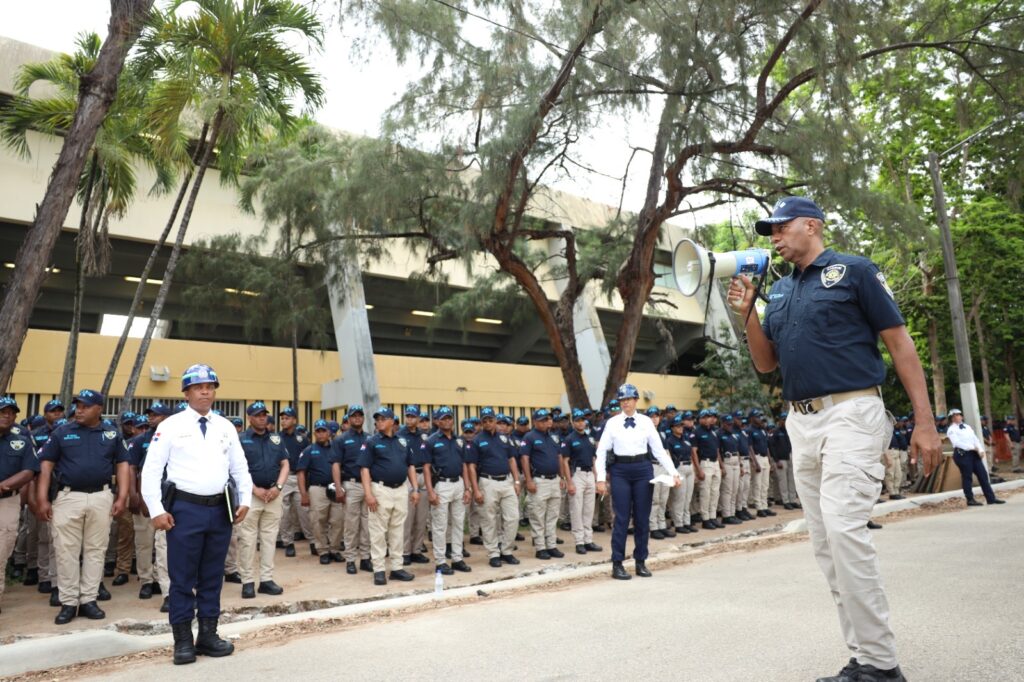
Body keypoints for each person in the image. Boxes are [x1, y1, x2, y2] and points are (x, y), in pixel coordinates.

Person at [730, 196, 941, 682]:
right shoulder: (779, 291)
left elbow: (900, 344)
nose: (774, 238)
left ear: (811, 225)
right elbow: (767, 363)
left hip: (852, 411)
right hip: (801, 421)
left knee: (845, 530)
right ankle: (866, 657)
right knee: (826, 544)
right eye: (770, 231)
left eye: (781, 227)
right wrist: (748, 314)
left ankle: (881, 665)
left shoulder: (855, 272)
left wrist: (925, 422)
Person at [142, 364, 252, 664]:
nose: (205, 392)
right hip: (184, 510)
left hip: (220, 510)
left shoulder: (225, 426)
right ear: (186, 393)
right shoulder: (171, 426)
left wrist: (245, 500)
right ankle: (182, 641)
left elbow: (239, 467)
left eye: (210, 387)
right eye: (198, 387)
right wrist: (156, 509)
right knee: (182, 578)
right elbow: (151, 470)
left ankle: (208, 635)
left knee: (212, 576)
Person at [36, 389, 129, 626]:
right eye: (77, 406)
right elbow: (46, 466)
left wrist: (122, 497)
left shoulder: (111, 433)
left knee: (96, 550)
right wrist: (42, 498)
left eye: (85, 406)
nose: (79, 410)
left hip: (101, 496)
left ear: (99, 409)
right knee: (66, 551)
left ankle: (89, 599)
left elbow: (122, 465)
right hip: (68, 498)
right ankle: (68, 602)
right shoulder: (62, 432)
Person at [595, 384, 680, 580]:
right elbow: (601, 452)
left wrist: (674, 473)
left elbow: (659, 450)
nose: (625, 403)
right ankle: (617, 564)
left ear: (635, 400)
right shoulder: (612, 423)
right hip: (620, 470)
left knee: (642, 518)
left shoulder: (645, 421)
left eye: (628, 399)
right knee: (622, 519)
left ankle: (640, 561)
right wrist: (600, 479)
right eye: (622, 400)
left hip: (643, 469)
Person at [360, 407, 419, 585]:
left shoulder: (403, 441)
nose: (379, 422)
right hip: (380, 489)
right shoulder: (371, 442)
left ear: (392, 421)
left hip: (400, 489)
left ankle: (396, 568)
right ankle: (379, 570)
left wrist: (415, 489)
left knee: (397, 530)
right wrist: (368, 494)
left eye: (383, 419)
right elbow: (364, 469)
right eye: (377, 419)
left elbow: (410, 466)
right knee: (378, 531)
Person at [237, 401, 289, 598]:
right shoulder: (241, 439)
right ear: (249, 418)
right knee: (247, 540)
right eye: (257, 415)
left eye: (264, 415)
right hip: (251, 496)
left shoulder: (276, 439)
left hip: (273, 495)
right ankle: (247, 581)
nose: (262, 418)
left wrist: (278, 487)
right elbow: (237, 469)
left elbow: (285, 464)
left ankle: (266, 580)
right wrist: (254, 490)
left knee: (269, 538)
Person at [127, 401, 173, 611]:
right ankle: (146, 580)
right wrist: (135, 495)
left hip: (169, 499)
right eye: (150, 414)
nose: (151, 418)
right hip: (146, 497)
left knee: (164, 547)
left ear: (167, 418)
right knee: (144, 542)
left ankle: (163, 583)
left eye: (156, 415)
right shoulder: (140, 440)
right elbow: (133, 469)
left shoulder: (172, 438)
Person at [466, 412, 523, 568]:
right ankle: (493, 553)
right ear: (482, 423)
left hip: (507, 481)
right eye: (485, 421)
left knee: (513, 517)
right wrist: (476, 489)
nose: (488, 423)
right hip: (487, 482)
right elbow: (471, 466)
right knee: (489, 520)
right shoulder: (477, 440)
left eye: (490, 420)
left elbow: (512, 459)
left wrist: (517, 481)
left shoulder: (504, 438)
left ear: (495, 421)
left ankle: (506, 550)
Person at [420, 406, 471, 574]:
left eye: (449, 418)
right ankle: (440, 561)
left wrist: (467, 488)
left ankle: (457, 558)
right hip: (441, 484)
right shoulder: (431, 441)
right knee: (440, 526)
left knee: (458, 523)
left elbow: (464, 465)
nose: (447, 421)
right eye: (443, 419)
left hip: (458, 483)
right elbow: (426, 467)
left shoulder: (459, 440)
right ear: (437, 421)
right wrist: (430, 491)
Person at [0, 396, 39, 615]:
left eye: (11, 412)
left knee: (1, 553)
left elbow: (28, 471)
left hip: (7, 502)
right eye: (2, 411)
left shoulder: (22, 441)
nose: (7, 415)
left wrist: (2, 486)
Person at [519, 409, 565, 560]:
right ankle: (540, 547)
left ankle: (551, 545)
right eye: (543, 420)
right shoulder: (529, 437)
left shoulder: (554, 437)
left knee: (553, 515)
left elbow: (559, 457)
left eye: (548, 419)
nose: (547, 422)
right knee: (537, 516)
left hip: (554, 480)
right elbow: (524, 459)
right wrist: (529, 480)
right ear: (535, 422)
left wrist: (562, 477)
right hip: (539, 480)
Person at [297, 420, 345, 564]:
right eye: (318, 431)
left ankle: (335, 549)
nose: (321, 434)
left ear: (329, 432)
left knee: (338, 520)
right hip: (317, 489)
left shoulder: (336, 448)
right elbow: (301, 473)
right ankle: (323, 550)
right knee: (318, 520)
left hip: (336, 488)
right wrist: (303, 494)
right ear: (314, 433)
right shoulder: (309, 450)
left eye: (323, 431)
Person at [333, 405, 372, 575]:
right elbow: (336, 464)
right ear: (348, 419)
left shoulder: (370, 438)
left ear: (363, 418)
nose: (357, 418)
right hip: (351, 484)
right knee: (351, 524)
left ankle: (365, 558)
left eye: (359, 415)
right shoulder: (341, 439)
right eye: (353, 416)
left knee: (368, 524)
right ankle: (350, 559)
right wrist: (338, 487)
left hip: (368, 485)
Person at [561, 409, 602, 554]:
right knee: (576, 509)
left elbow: (593, 460)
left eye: (582, 420)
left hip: (589, 473)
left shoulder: (590, 438)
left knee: (589, 509)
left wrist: (597, 479)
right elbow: (565, 462)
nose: (580, 423)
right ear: (573, 422)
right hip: (577, 474)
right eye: (577, 420)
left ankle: (588, 540)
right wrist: (569, 482)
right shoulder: (569, 439)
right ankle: (579, 541)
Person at [945, 409, 1005, 507]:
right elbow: (956, 443)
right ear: (951, 419)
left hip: (974, 453)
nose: (956, 417)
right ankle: (970, 499)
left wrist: (980, 450)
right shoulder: (951, 430)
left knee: (983, 475)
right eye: (954, 416)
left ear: (961, 416)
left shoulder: (967, 427)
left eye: (958, 415)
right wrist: (972, 448)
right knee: (967, 477)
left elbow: (975, 439)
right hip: (962, 454)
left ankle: (991, 498)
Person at [277, 406, 312, 558]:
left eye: (287, 418)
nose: (284, 421)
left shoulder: (302, 440)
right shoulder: (276, 438)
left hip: (299, 477)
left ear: (294, 420)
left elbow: (309, 461)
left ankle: (312, 541)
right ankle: (288, 542)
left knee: (304, 511)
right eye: (282, 418)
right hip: (283, 477)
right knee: (284, 513)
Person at [398, 406, 430, 566]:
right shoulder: (399, 435)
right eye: (408, 416)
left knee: (421, 517)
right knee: (408, 517)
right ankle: (405, 551)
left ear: (418, 419)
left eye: (413, 416)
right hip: (407, 475)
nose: (410, 419)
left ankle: (416, 550)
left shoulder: (423, 436)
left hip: (423, 473)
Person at [667, 412, 699, 533]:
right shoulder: (670, 441)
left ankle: (687, 522)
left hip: (689, 467)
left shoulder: (685, 439)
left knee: (687, 498)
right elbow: (669, 458)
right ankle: (678, 523)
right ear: (672, 428)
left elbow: (691, 454)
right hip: (678, 468)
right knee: (679, 498)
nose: (680, 428)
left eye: (681, 425)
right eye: (677, 426)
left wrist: (694, 470)